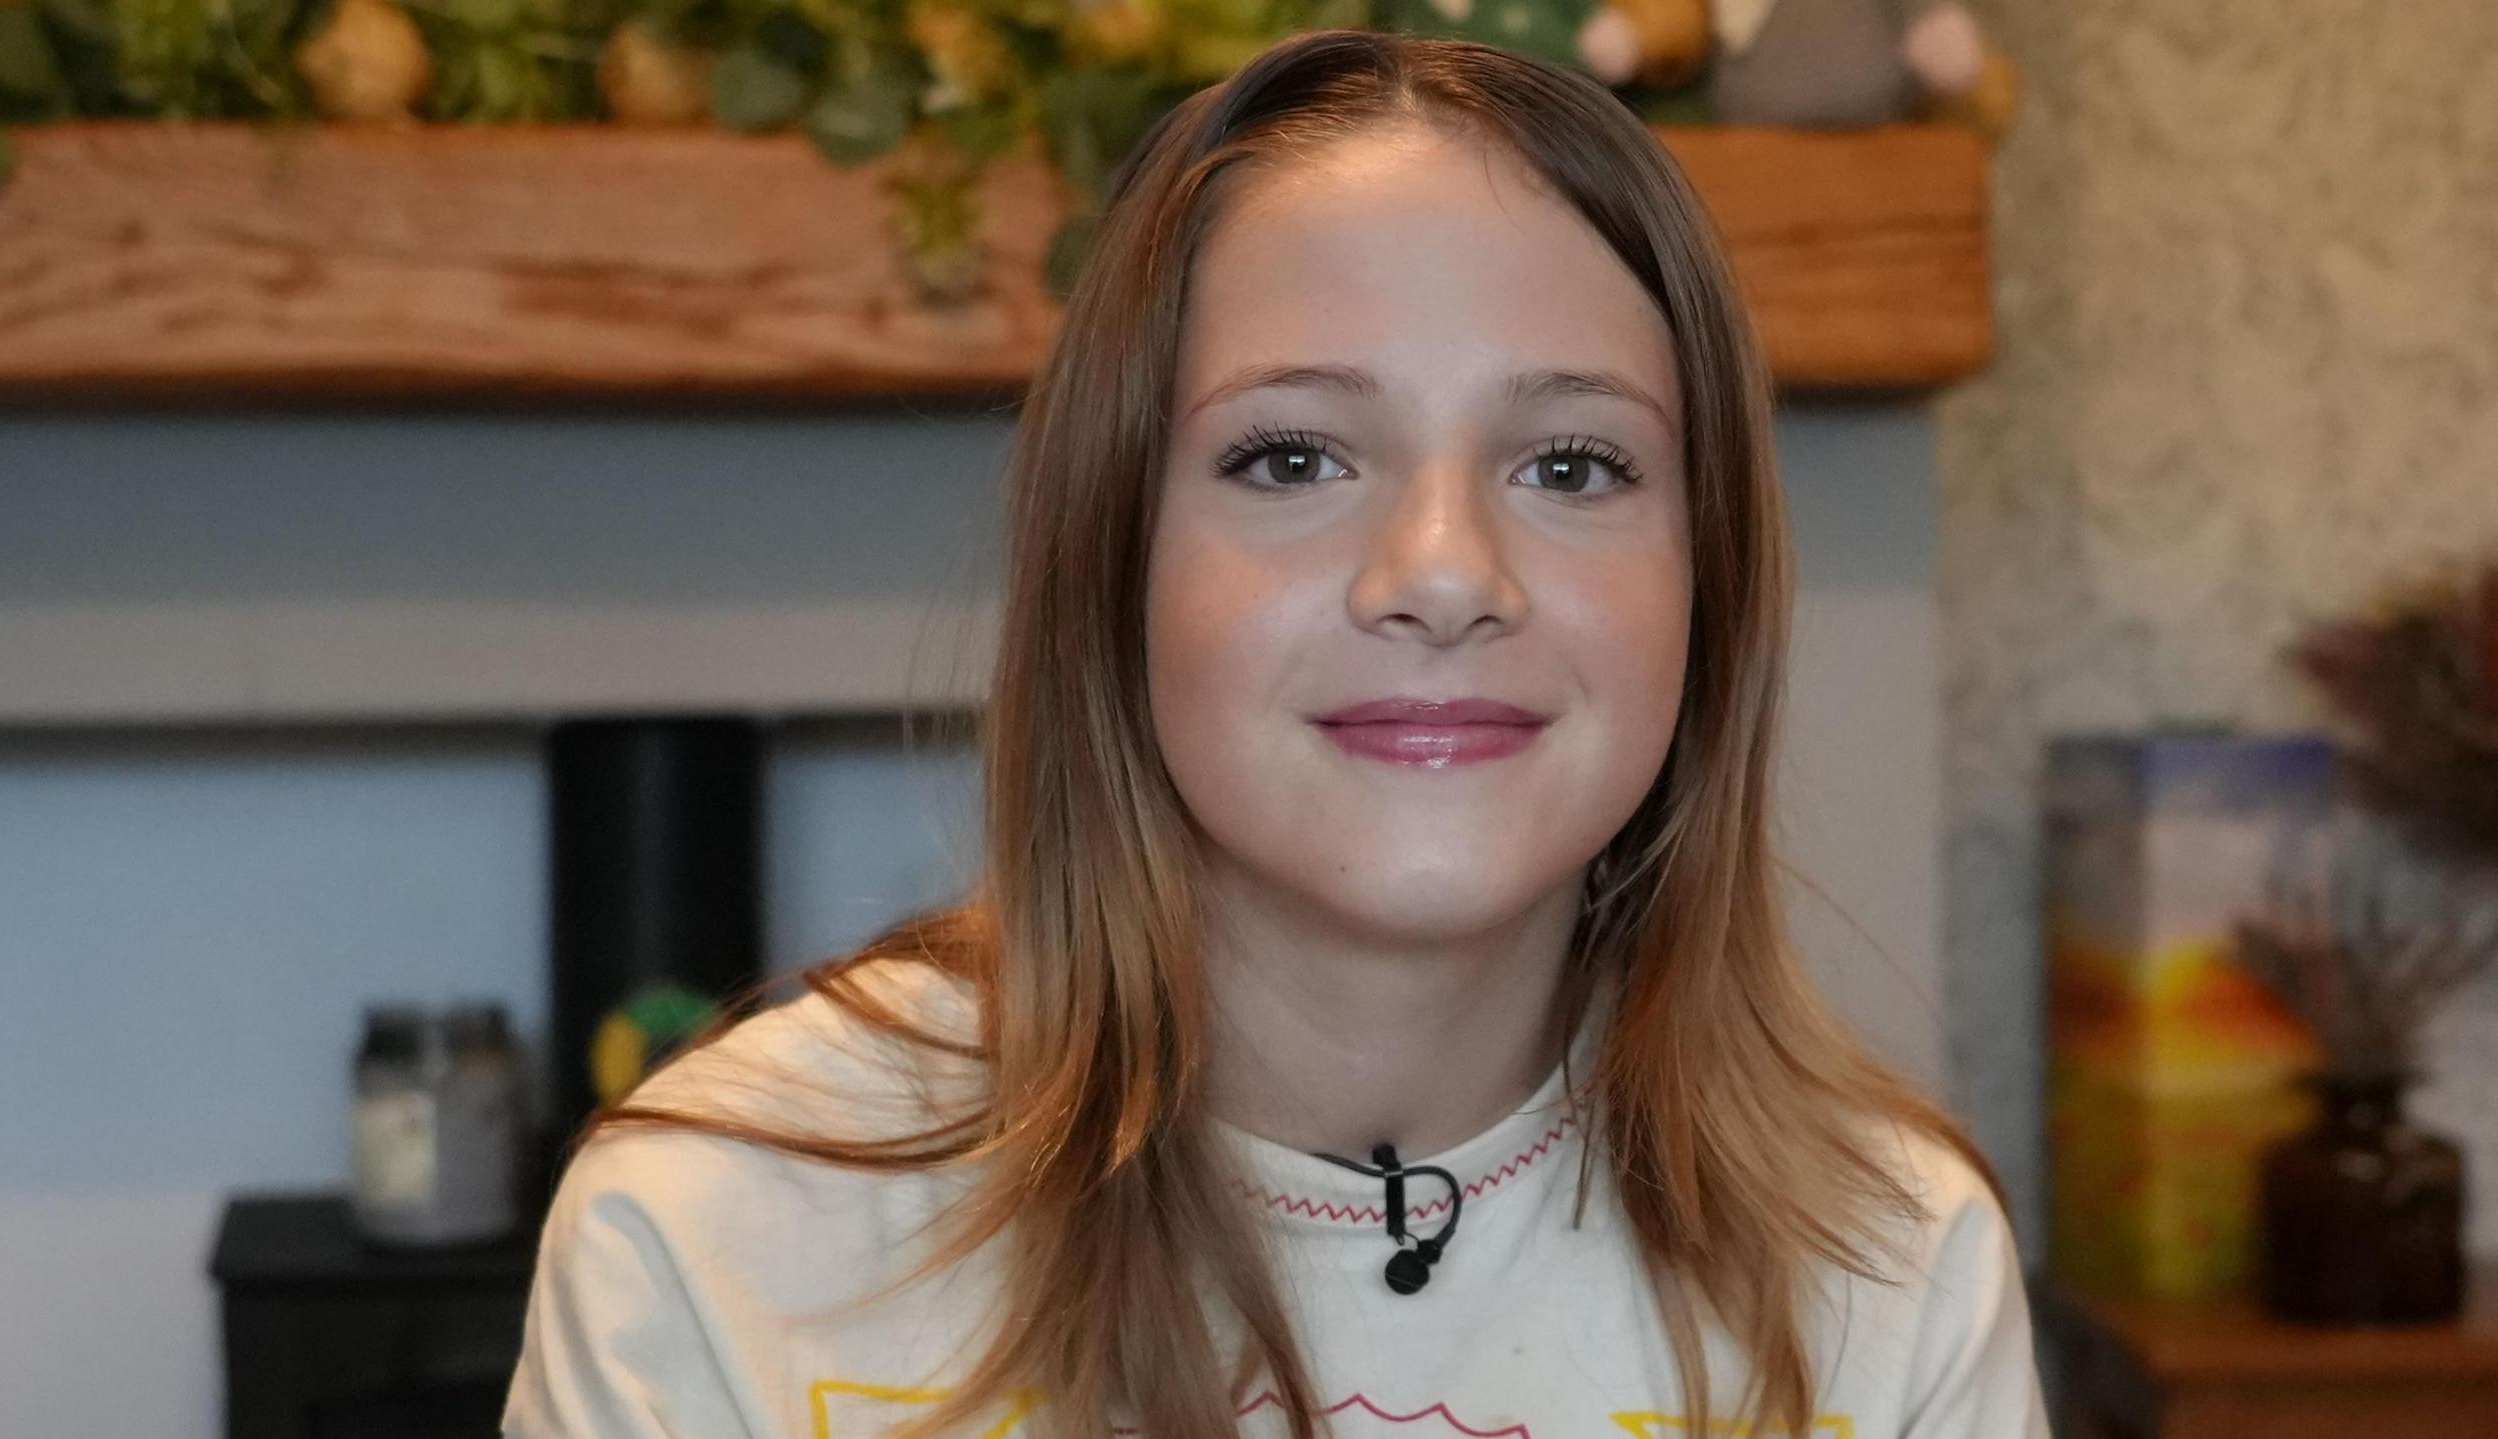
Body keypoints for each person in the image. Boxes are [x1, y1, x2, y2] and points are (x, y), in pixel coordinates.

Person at [501, 26, 2049, 1439]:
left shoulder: (1895, 1267)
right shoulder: (710, 1229)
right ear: (1113, 562)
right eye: (1294, 454)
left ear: (1707, 585)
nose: (1443, 574)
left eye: (1573, 466)